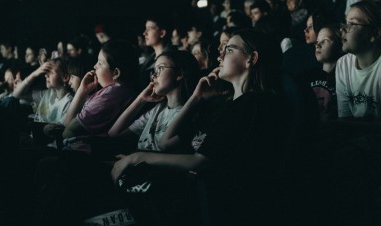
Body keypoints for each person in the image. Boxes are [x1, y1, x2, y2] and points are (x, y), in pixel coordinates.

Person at [111, 30, 287, 224]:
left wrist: (136, 157)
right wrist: (196, 98)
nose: (219, 56)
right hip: (183, 196)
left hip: (205, 204)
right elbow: (165, 143)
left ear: (251, 58)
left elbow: (200, 161)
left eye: (229, 50)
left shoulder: (253, 104)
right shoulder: (224, 105)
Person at [108, 50, 200, 152]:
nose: (154, 76)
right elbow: (113, 133)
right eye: (154, 71)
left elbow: (164, 148)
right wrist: (140, 99)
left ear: (179, 74)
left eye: (160, 68)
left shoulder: (188, 114)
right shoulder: (158, 109)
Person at [61, 40, 138, 152]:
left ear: (116, 73)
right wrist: (82, 91)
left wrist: (81, 92)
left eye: (100, 63)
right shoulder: (117, 90)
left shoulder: (112, 94)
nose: (95, 66)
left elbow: (68, 130)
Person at [13, 58, 73, 126]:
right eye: (46, 72)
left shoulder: (68, 102)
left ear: (65, 77)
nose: (46, 75)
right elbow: (16, 96)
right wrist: (35, 74)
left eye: (51, 72)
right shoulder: (48, 93)